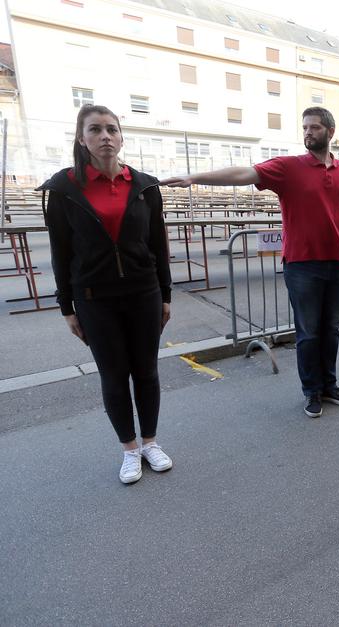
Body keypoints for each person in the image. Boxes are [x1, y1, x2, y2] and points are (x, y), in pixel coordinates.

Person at [163, 107, 339, 418]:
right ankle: (312, 389)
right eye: (305, 127)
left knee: (332, 330)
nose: (308, 132)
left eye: (314, 127)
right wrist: (195, 177)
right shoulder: (288, 167)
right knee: (309, 332)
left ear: (330, 132)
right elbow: (245, 173)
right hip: (302, 265)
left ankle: (329, 385)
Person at [41, 104, 173, 484]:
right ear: (81, 139)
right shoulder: (65, 188)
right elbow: (60, 251)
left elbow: (157, 244)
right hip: (94, 297)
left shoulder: (145, 185)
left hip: (143, 292)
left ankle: (150, 442)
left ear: (121, 136)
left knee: (146, 371)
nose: (105, 136)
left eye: (111, 129)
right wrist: (66, 305)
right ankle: (129, 449)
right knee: (114, 375)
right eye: (95, 130)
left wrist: (165, 294)